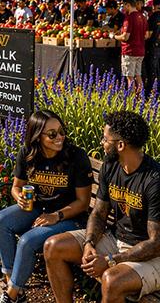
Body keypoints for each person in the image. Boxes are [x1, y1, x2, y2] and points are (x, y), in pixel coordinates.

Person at [44, 111, 160, 303]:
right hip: (116, 240)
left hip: (151, 255)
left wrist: (110, 261)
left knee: (111, 280)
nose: (101, 143)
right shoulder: (111, 165)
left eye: (105, 139)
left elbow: (156, 243)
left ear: (120, 145)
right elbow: (98, 213)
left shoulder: (154, 180)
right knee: (53, 247)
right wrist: (89, 242)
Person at [0, 110, 92, 303]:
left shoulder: (76, 156)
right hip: (38, 209)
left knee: (27, 241)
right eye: (52, 134)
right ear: (37, 136)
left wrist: (56, 216)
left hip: (70, 218)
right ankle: (14, 286)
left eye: (61, 131)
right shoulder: (27, 153)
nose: (59, 137)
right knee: (1, 220)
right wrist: (19, 197)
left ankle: (11, 295)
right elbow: (16, 187)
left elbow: (83, 203)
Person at [114, 0, 148, 93]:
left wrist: (114, 37)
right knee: (138, 76)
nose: (123, 8)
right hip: (140, 51)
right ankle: (140, 99)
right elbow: (146, 35)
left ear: (128, 5)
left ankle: (131, 100)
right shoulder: (142, 17)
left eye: (123, 6)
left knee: (130, 78)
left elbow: (125, 37)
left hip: (130, 51)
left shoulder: (129, 18)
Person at [146, 0, 160, 90]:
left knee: (153, 71)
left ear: (154, 6)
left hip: (153, 47)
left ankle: (153, 92)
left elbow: (148, 35)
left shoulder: (153, 17)